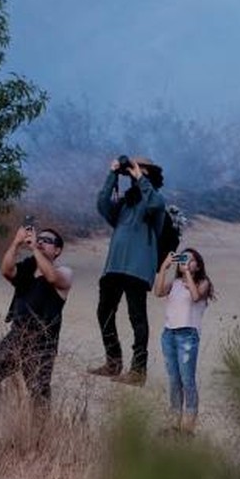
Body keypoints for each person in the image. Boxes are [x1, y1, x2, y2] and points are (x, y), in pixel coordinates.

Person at [87, 155, 168, 386]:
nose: (134, 172)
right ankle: (113, 362)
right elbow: (102, 205)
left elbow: (155, 204)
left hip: (137, 268)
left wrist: (140, 177)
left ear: (149, 174)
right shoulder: (125, 204)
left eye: (140, 169)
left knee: (137, 318)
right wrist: (113, 173)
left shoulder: (155, 202)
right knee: (104, 312)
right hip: (114, 265)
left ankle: (138, 371)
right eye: (132, 169)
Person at [0, 224, 73, 404]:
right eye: (40, 240)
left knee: (38, 394)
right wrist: (16, 243)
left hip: (42, 343)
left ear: (57, 250)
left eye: (48, 241)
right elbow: (6, 270)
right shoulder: (27, 270)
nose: (41, 243)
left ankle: (39, 431)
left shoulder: (64, 272)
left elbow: (51, 277)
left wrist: (33, 248)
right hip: (18, 335)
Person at [154, 248, 214, 434]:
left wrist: (187, 272)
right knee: (174, 379)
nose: (186, 262)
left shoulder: (203, 283)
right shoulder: (176, 283)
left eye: (191, 260)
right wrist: (164, 267)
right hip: (169, 333)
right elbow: (157, 292)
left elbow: (196, 297)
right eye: (183, 258)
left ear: (198, 265)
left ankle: (188, 426)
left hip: (187, 334)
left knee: (187, 379)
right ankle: (174, 422)